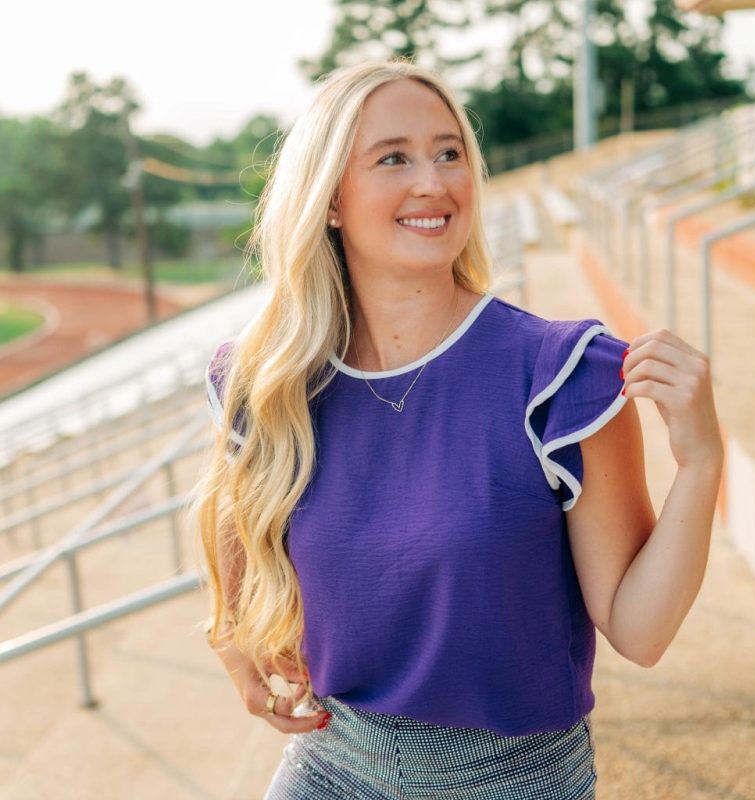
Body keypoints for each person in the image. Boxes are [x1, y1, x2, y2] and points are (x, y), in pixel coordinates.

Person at [193, 60, 723, 799]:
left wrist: (701, 465)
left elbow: (640, 630)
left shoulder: (560, 373)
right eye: (393, 158)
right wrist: (229, 637)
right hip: (329, 766)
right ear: (331, 200)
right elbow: (234, 551)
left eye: (449, 153)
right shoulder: (265, 382)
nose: (433, 183)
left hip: (515, 780)